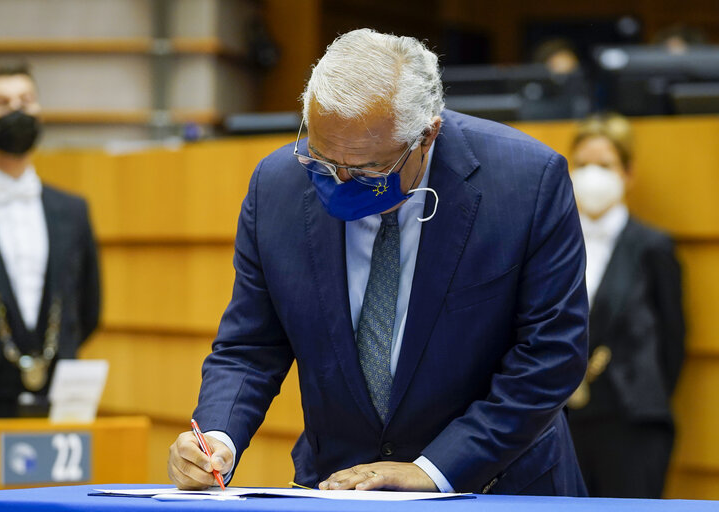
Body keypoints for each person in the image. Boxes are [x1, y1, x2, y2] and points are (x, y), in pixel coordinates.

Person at [169, 28, 588, 495]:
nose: (341, 182)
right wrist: (217, 440)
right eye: (324, 161)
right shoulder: (277, 186)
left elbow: (551, 355)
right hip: (337, 491)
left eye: (369, 171)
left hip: (498, 487)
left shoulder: (526, 182)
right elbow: (249, 346)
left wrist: (432, 470)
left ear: (427, 135)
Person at [0, 59, 101, 418]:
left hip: (56, 403)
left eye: (26, 101)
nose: (17, 110)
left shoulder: (73, 209)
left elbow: (89, 307)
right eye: (1, 104)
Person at [566, 113, 685, 498]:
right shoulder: (554, 242)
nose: (592, 175)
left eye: (604, 165)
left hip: (631, 420)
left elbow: (673, 338)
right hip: (561, 421)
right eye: (582, 165)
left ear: (627, 173)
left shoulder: (652, 246)